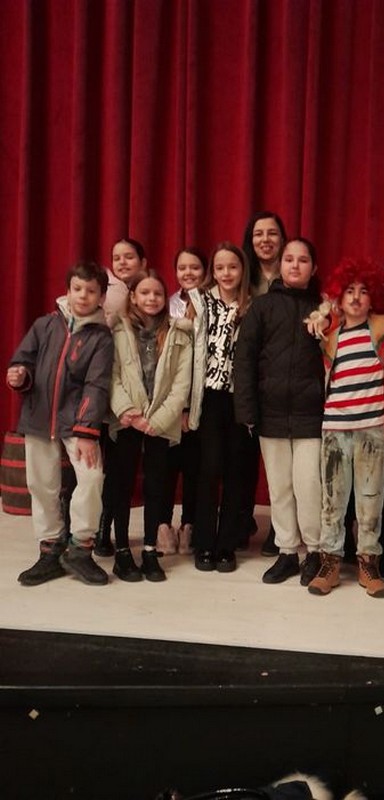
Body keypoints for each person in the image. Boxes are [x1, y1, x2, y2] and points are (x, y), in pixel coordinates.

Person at [7, 261, 114, 586]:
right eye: (77, 289)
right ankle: (50, 549)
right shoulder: (45, 325)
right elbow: (23, 360)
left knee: (92, 478)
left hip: (78, 422)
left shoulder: (102, 338)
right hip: (39, 417)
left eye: (91, 291)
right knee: (41, 484)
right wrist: (19, 375)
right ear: (67, 291)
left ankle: (80, 548)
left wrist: (86, 432)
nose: (83, 296)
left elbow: (97, 385)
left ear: (101, 297)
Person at [234, 237, 324, 585]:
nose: (295, 265)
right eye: (289, 259)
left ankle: (314, 551)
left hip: (311, 414)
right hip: (270, 413)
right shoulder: (262, 307)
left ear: (313, 268)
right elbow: (244, 359)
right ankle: (287, 552)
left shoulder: (323, 308)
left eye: (303, 260)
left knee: (308, 485)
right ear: (280, 265)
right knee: (280, 487)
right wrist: (247, 409)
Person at [308, 258, 384, 597]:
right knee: (332, 500)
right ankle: (329, 562)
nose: (356, 297)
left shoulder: (383, 326)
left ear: (373, 297)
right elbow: (317, 320)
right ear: (339, 297)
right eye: (349, 291)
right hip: (334, 428)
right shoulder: (330, 333)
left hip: (371, 428)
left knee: (371, 500)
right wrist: (323, 314)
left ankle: (368, 563)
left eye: (363, 291)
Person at [109, 271, 192, 582]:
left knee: (157, 486)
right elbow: (112, 376)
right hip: (127, 419)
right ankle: (122, 553)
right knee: (122, 484)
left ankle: (149, 550)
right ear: (133, 296)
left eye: (157, 293)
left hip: (159, 423)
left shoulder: (179, 334)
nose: (151, 298)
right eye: (144, 293)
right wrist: (129, 413)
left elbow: (181, 384)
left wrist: (156, 421)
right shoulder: (118, 330)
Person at [186, 242, 253, 573]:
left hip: (238, 398)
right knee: (208, 469)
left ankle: (227, 545)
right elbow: (188, 350)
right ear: (213, 271)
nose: (227, 273)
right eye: (221, 267)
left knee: (235, 470)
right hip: (208, 396)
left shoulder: (252, 304)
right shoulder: (200, 302)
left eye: (233, 267)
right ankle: (204, 543)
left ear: (242, 270)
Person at [95, 237, 149, 557]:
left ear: (143, 262)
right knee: (95, 471)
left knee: (121, 469)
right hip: (99, 393)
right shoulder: (105, 292)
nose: (123, 262)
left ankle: (116, 533)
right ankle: (97, 530)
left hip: (130, 400)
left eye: (129, 257)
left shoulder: (148, 293)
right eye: (117, 258)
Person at [241, 210, 289, 555]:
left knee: (280, 462)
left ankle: (280, 528)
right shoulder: (242, 276)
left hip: (281, 376)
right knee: (243, 457)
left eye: (272, 233)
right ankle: (242, 520)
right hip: (245, 374)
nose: (265, 240)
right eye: (259, 234)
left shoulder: (294, 275)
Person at [157, 247, 207, 556]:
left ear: (205, 271)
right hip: (168, 399)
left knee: (195, 467)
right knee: (165, 466)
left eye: (195, 267)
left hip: (200, 398)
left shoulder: (211, 303)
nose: (188, 273)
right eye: (182, 267)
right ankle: (163, 525)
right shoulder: (167, 304)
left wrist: (190, 405)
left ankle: (190, 524)